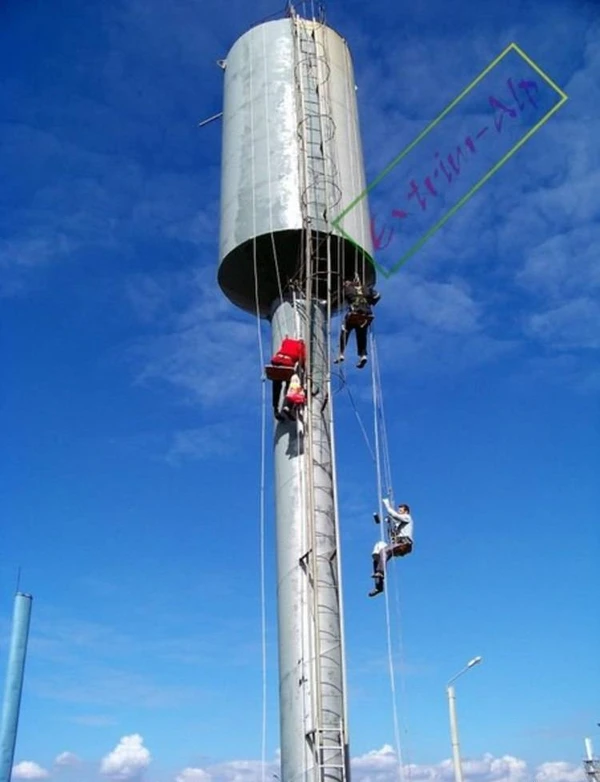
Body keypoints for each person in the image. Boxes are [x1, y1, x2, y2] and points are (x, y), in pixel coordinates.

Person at [368, 500, 413, 597]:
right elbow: (394, 532)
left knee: (385, 551)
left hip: (405, 544)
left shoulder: (407, 517)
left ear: (406, 511)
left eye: (400, 510)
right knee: (378, 555)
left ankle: (380, 572)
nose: (399, 511)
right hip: (398, 544)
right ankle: (379, 587)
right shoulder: (399, 525)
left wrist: (387, 505)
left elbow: (395, 515)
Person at [334, 276, 380, 369]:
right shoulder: (366, 289)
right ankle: (363, 356)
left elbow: (338, 299)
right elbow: (377, 295)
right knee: (361, 335)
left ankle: (341, 353)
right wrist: (370, 302)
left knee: (345, 330)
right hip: (366, 314)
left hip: (355, 313)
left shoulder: (347, 289)